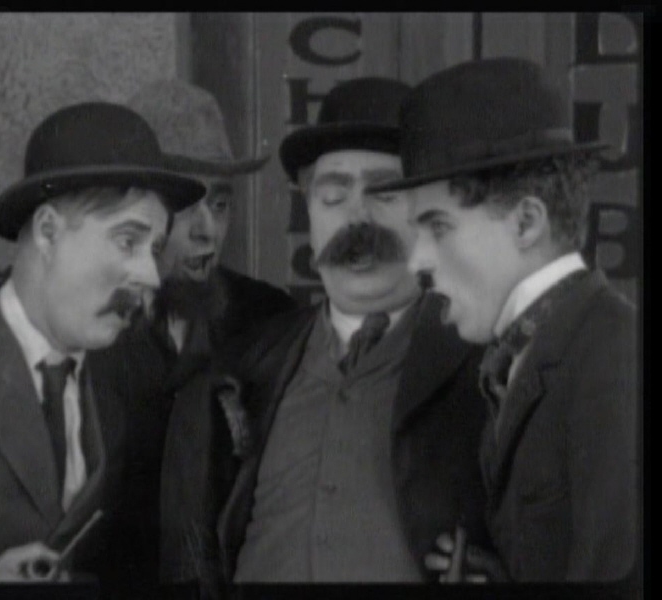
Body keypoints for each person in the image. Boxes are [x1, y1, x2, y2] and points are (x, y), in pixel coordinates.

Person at [0, 81, 296, 594]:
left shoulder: (268, 320)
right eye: (186, 205)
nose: (207, 230)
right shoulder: (51, 328)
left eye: (220, 203)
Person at [206, 77, 492, 587]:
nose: (357, 217)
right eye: (333, 195)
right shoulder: (249, 363)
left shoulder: (485, 364)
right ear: (309, 210)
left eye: (386, 192)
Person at [368, 58, 638, 582]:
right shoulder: (536, 353)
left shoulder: (616, 362)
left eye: (438, 227)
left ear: (526, 222)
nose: (417, 261)